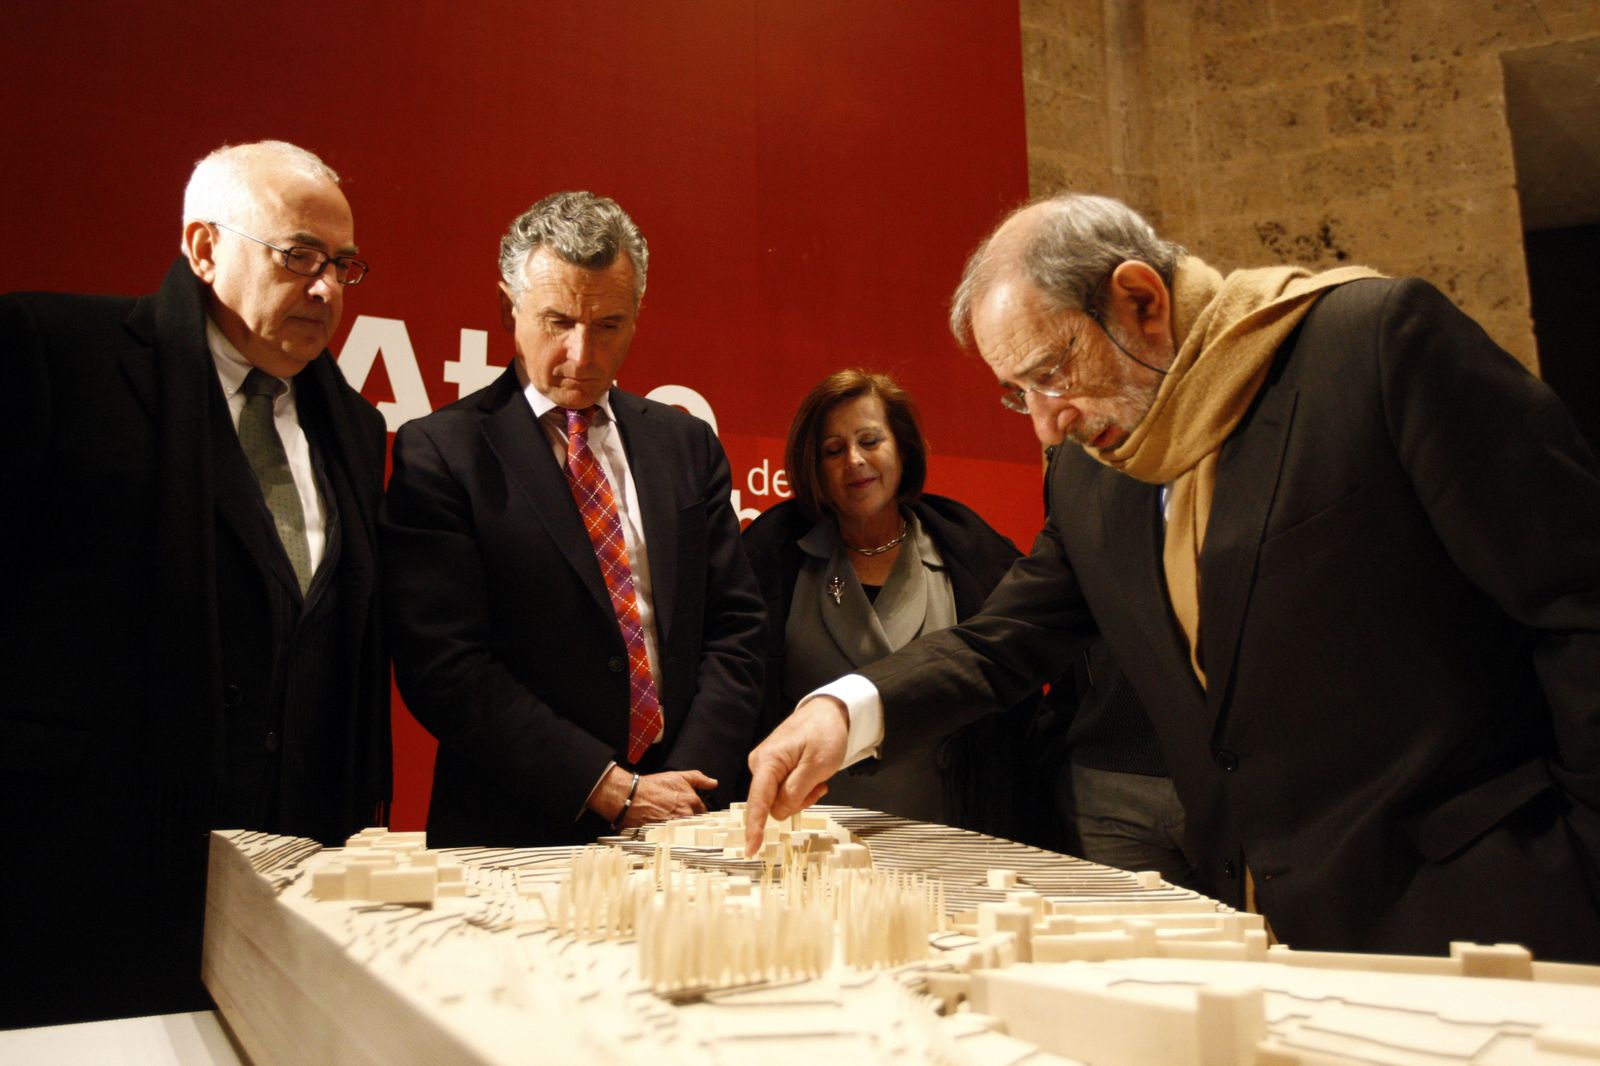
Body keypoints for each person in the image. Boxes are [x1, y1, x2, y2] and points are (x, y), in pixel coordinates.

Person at [744, 193, 1600, 962]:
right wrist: (840, 711)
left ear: (1141, 300)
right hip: (1272, 927)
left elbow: (1575, 596)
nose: (1047, 425)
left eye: (1052, 372)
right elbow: (1000, 643)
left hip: (1484, 908)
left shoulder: (1373, 347)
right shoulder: (1093, 475)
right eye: (1019, 394)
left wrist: (1579, 854)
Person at [0, 141, 391, 1026]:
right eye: (299, 257)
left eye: (343, 265)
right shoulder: (54, 357)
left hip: (288, 883)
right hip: (82, 875)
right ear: (204, 247)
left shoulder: (356, 428)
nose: (327, 289)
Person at [382, 191, 764, 848]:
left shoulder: (686, 445)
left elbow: (736, 632)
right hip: (518, 828)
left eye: (608, 325)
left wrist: (685, 787)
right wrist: (611, 788)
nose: (583, 354)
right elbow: (445, 664)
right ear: (509, 309)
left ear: (638, 316)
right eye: (559, 322)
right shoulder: (443, 452)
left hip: (686, 825)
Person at [742, 368, 1039, 836]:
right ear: (813, 467)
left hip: (945, 828)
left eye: (870, 441)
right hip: (809, 832)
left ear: (902, 449)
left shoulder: (974, 554)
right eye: (833, 450)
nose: (855, 461)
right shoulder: (771, 559)